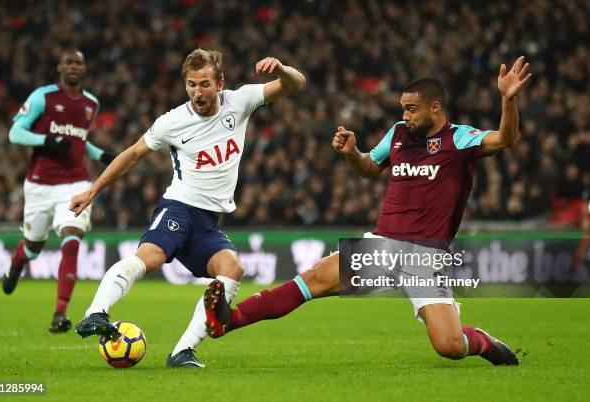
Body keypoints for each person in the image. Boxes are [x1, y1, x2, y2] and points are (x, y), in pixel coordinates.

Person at [205, 56, 533, 366]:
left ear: (435, 108)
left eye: (412, 109)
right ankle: (228, 320)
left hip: (425, 257)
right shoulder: (398, 134)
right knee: (312, 280)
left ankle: (482, 341)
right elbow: (369, 168)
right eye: (402, 108)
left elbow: (505, 139)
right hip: (383, 245)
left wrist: (508, 101)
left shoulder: (458, 139)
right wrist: (352, 153)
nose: (405, 116)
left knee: (448, 346)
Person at [69, 49, 306, 368]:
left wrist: (281, 68)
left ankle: (182, 351)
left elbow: (296, 83)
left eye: (205, 84)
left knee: (232, 269)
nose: (197, 92)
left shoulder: (241, 101)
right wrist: (93, 190)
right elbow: (133, 154)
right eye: (192, 85)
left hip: (207, 223)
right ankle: (96, 312)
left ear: (220, 84)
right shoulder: (173, 122)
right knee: (150, 258)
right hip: (179, 208)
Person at [2, 48, 114, 333]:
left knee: (72, 237)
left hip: (76, 184)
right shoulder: (43, 97)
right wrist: (48, 141)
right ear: (59, 67)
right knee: (33, 245)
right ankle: (16, 264)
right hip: (40, 184)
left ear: (84, 68)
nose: (74, 67)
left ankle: (60, 313)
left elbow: (80, 140)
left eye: (79, 62)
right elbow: (16, 133)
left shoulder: (91, 103)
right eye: (69, 62)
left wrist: (102, 156)